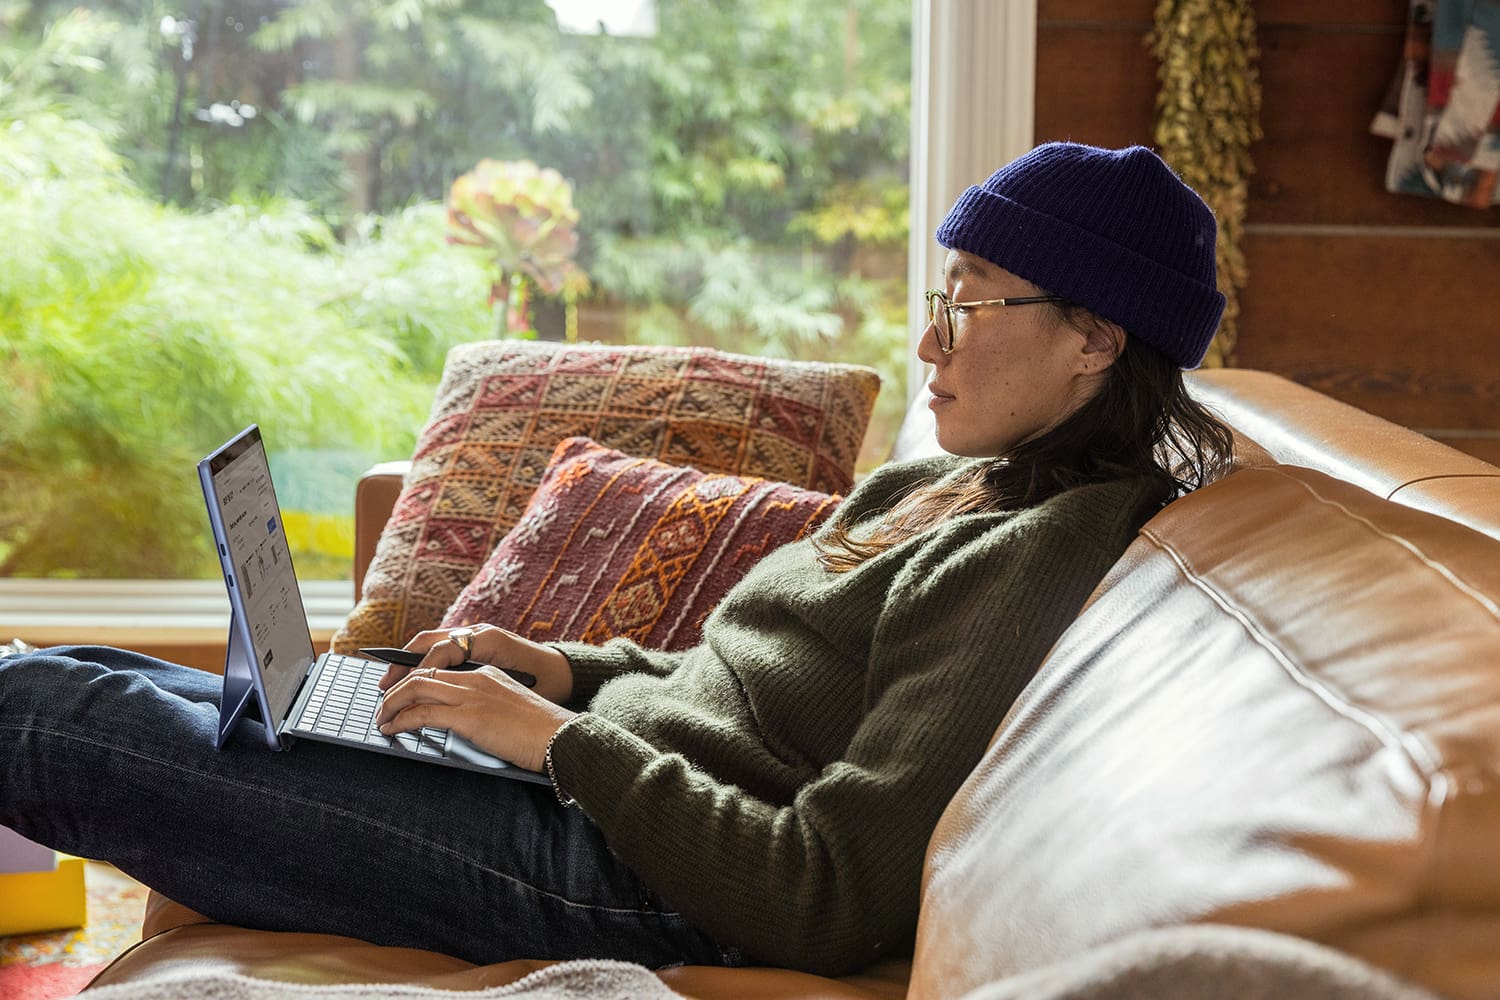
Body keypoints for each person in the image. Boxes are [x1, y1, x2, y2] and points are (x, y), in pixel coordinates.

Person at [0, 142, 1234, 977]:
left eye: (971, 302)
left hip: (632, 875)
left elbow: (829, 891)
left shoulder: (1043, 550)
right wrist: (561, 673)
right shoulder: (952, 479)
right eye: (940, 292)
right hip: (593, 789)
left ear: (1093, 339)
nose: (928, 337)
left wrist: (557, 744)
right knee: (118, 679)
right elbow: (742, 687)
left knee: (47, 716)